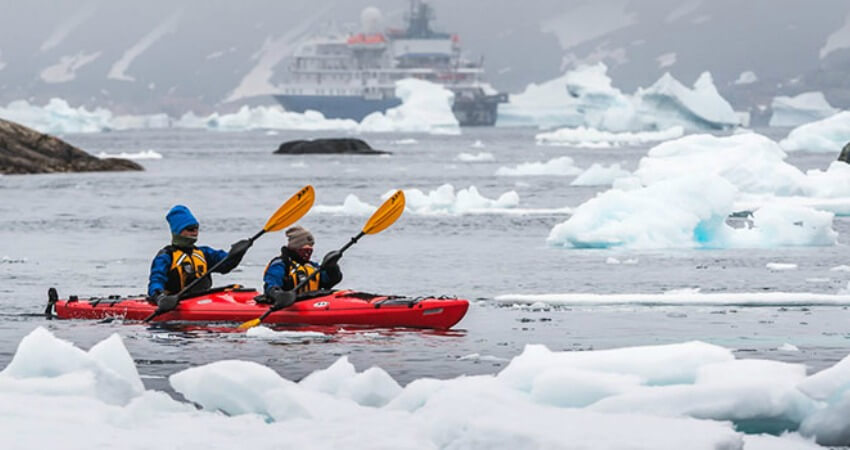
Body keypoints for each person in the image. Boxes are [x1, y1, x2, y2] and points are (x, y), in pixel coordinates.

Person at [148, 205, 251, 309]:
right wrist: (160, 298)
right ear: (178, 231)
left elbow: (227, 264)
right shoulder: (166, 256)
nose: (195, 232)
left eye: (196, 228)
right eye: (190, 229)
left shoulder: (204, 253)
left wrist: (239, 252)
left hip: (203, 300)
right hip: (176, 301)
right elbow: (156, 281)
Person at [262, 225, 342, 307]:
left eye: (310, 250)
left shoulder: (312, 266)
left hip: (312, 305)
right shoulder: (281, 264)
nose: (308, 254)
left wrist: (332, 267)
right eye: (305, 250)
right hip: (288, 306)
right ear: (295, 248)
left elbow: (329, 280)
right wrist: (279, 295)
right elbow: (271, 285)